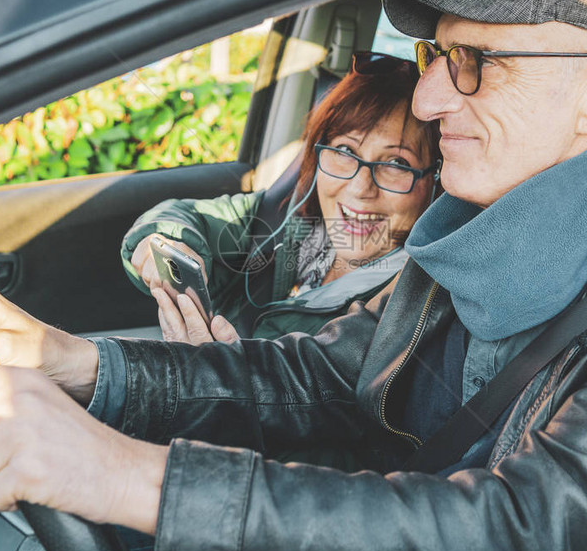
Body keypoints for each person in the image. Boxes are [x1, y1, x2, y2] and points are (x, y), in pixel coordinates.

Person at [0, 0, 587, 551]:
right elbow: (323, 377)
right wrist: (86, 366)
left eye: (474, 64)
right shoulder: (469, 225)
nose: (427, 98)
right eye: (433, 57)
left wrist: (131, 480)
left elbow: (521, 532)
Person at [122, 52, 440, 344]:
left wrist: (210, 379)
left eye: (396, 163)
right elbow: (184, 217)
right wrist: (162, 243)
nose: (360, 188)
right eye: (345, 151)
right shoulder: (284, 221)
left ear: (435, 180)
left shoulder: (403, 308)